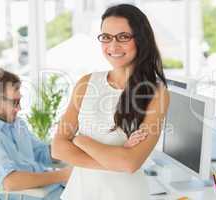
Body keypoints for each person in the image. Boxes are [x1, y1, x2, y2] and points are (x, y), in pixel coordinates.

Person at [51, 4, 170, 200]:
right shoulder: (86, 83)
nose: (113, 46)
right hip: (78, 194)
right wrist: (115, 160)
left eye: (123, 37)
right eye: (106, 37)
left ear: (140, 39)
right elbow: (58, 147)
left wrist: (80, 140)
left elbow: (131, 163)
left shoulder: (156, 94)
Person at [0, 68, 71, 200]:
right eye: (14, 102)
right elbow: (10, 182)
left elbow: (41, 153)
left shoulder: (17, 124)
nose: (19, 108)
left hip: (56, 188)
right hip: (38, 195)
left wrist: (68, 146)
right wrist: (64, 175)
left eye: (20, 101)